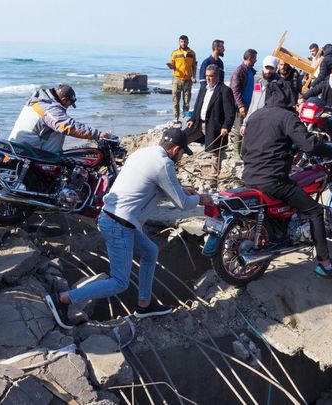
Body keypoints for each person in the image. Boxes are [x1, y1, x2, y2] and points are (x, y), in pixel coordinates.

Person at [44, 128, 214, 329]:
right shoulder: (164, 164)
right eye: (182, 152)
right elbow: (183, 204)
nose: (181, 156)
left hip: (115, 218)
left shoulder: (145, 153)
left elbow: (155, 185)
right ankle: (63, 299)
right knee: (119, 282)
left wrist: (181, 188)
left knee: (150, 251)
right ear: (175, 149)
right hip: (119, 224)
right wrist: (202, 199)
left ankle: (144, 305)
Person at [241, 80, 332, 277]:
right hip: (274, 180)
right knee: (315, 211)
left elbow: (244, 149)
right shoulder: (288, 117)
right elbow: (309, 145)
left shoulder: (255, 116)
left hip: (249, 176)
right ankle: (325, 264)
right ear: (288, 96)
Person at [8, 84, 111, 153]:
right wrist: (97, 134)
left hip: (23, 147)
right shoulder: (48, 108)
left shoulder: (41, 101)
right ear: (63, 99)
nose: (69, 107)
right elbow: (67, 126)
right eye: (69, 103)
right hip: (30, 152)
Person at [187, 64, 236, 188]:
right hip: (199, 123)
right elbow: (198, 104)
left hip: (215, 126)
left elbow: (230, 112)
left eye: (211, 76)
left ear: (218, 76)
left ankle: (213, 178)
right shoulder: (203, 87)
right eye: (207, 76)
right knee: (182, 139)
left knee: (215, 152)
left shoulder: (225, 90)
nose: (208, 78)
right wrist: (192, 118)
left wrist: (226, 126)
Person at [240, 56, 281, 136]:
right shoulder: (258, 83)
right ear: (263, 68)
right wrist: (245, 123)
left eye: (271, 68)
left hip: (267, 126)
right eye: (267, 68)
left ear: (276, 69)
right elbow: (253, 103)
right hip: (254, 122)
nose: (268, 71)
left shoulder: (279, 85)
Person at [229, 49, 257, 159]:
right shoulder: (239, 71)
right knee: (239, 129)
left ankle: (244, 151)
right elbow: (235, 89)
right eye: (254, 58)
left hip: (250, 104)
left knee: (248, 128)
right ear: (250, 58)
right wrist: (240, 105)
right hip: (242, 105)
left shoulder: (251, 70)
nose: (256, 60)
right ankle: (236, 153)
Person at [167, 35, 197, 124]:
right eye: (181, 41)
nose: (183, 43)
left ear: (188, 42)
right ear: (179, 42)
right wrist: (170, 66)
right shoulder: (175, 53)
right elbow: (172, 65)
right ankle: (176, 118)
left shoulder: (192, 53)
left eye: (184, 41)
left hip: (188, 80)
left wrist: (193, 77)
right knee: (175, 100)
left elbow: (194, 66)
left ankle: (185, 120)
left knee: (186, 102)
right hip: (177, 79)